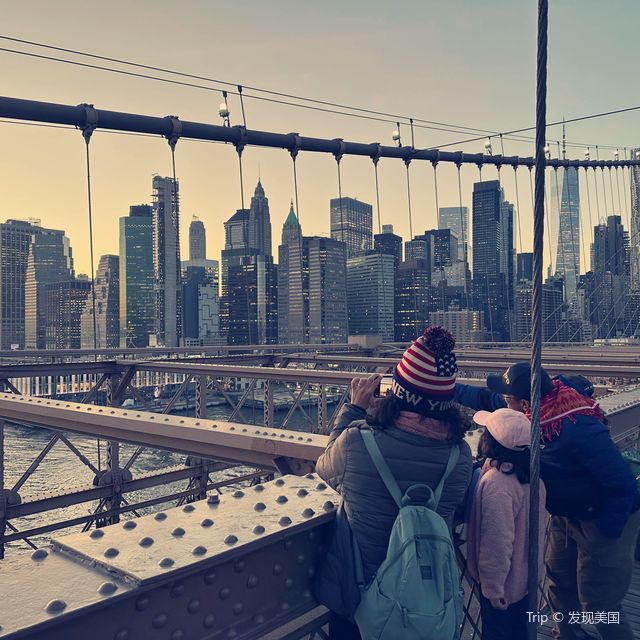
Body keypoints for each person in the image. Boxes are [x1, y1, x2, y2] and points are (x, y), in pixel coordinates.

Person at [315, 327, 473, 639]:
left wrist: (355, 409)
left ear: (396, 394)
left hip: (359, 598)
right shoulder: (460, 457)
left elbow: (325, 467)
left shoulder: (356, 443)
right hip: (426, 602)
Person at [481, 362, 640, 640]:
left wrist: (606, 533)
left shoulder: (575, 427)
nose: (503, 404)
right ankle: (569, 635)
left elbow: (623, 484)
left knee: (599, 600)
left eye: (507, 399)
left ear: (521, 402)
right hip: (568, 512)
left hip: (605, 514)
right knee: (559, 584)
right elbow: (485, 399)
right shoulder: (538, 411)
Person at [466, 408, 546, 640]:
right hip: (525, 580)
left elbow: (497, 542)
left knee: (497, 633)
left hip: (502, 588)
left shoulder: (497, 484)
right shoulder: (534, 479)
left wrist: (492, 587)